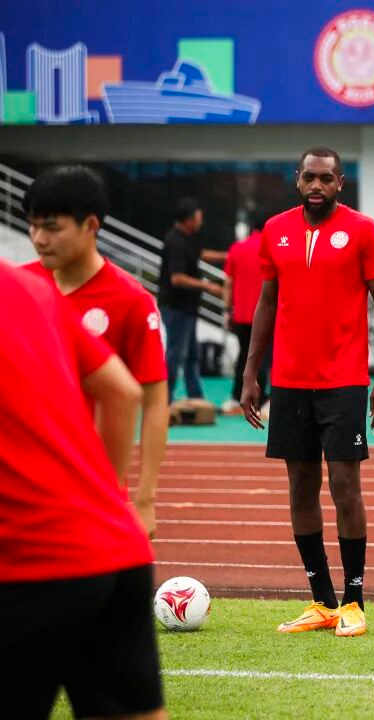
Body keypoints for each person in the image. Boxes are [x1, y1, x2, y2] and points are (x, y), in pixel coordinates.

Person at [240, 146, 374, 639]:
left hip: (344, 381)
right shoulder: (275, 230)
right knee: (300, 487)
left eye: (326, 178)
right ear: (297, 179)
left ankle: (354, 601)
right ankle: (322, 601)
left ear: (340, 183)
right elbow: (267, 302)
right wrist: (250, 372)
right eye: (309, 177)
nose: (316, 186)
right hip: (289, 382)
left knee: (345, 486)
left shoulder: (364, 231)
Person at [0, 261, 165, 719]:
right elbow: (123, 392)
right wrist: (109, 499)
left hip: (28, 558)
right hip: (111, 547)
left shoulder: (126, 296)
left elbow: (138, 394)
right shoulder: (31, 287)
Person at [21, 165, 169, 538]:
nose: (39, 239)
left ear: (90, 225)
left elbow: (154, 402)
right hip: (20, 482)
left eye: (51, 228)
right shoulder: (18, 288)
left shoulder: (131, 300)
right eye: (33, 226)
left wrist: (145, 499)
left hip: (91, 489)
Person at [158, 197, 223, 404]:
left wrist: (234, 255)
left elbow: (203, 254)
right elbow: (177, 278)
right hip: (176, 307)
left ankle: (196, 398)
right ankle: (164, 399)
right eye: (198, 218)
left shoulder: (186, 239)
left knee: (192, 354)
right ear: (188, 220)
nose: (200, 222)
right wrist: (208, 286)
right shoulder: (175, 242)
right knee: (176, 354)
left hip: (187, 308)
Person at [222, 213, 270, 416]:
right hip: (266, 314)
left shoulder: (236, 248)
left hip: (241, 315)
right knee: (263, 357)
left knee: (244, 355)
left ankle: (236, 396)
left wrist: (227, 310)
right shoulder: (271, 248)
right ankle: (262, 399)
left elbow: (228, 283)